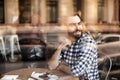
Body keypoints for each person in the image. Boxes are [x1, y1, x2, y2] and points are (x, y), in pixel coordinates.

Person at [48, 15, 99, 80]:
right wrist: (60, 48)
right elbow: (51, 66)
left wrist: (60, 66)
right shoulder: (66, 41)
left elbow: (76, 72)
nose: (78, 28)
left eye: (79, 24)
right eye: (72, 25)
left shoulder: (87, 43)